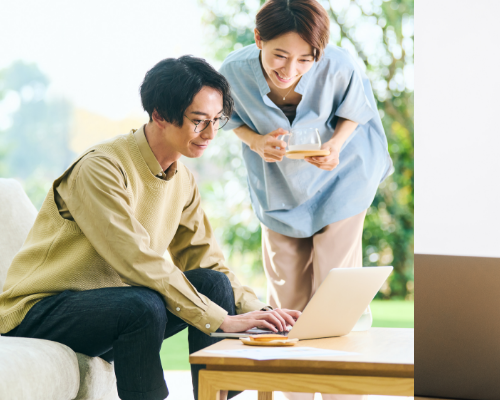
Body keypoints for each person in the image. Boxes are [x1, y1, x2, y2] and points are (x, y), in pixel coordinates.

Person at [0, 55, 301, 400]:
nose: (210, 134)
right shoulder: (101, 168)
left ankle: (216, 397)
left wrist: (261, 312)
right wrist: (218, 319)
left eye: (217, 121)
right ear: (159, 115)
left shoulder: (183, 179)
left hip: (114, 310)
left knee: (213, 284)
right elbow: (137, 258)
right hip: (41, 311)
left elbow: (206, 261)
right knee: (142, 304)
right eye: (199, 121)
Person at [218, 0, 391, 329]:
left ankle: (337, 374)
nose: (290, 69)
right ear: (258, 39)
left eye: (305, 59)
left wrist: (335, 147)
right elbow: (228, 118)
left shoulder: (338, 64)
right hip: (278, 183)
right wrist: (255, 141)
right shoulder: (232, 72)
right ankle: (291, 377)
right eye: (280, 55)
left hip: (344, 174)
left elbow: (355, 111)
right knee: (287, 299)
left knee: (335, 287)